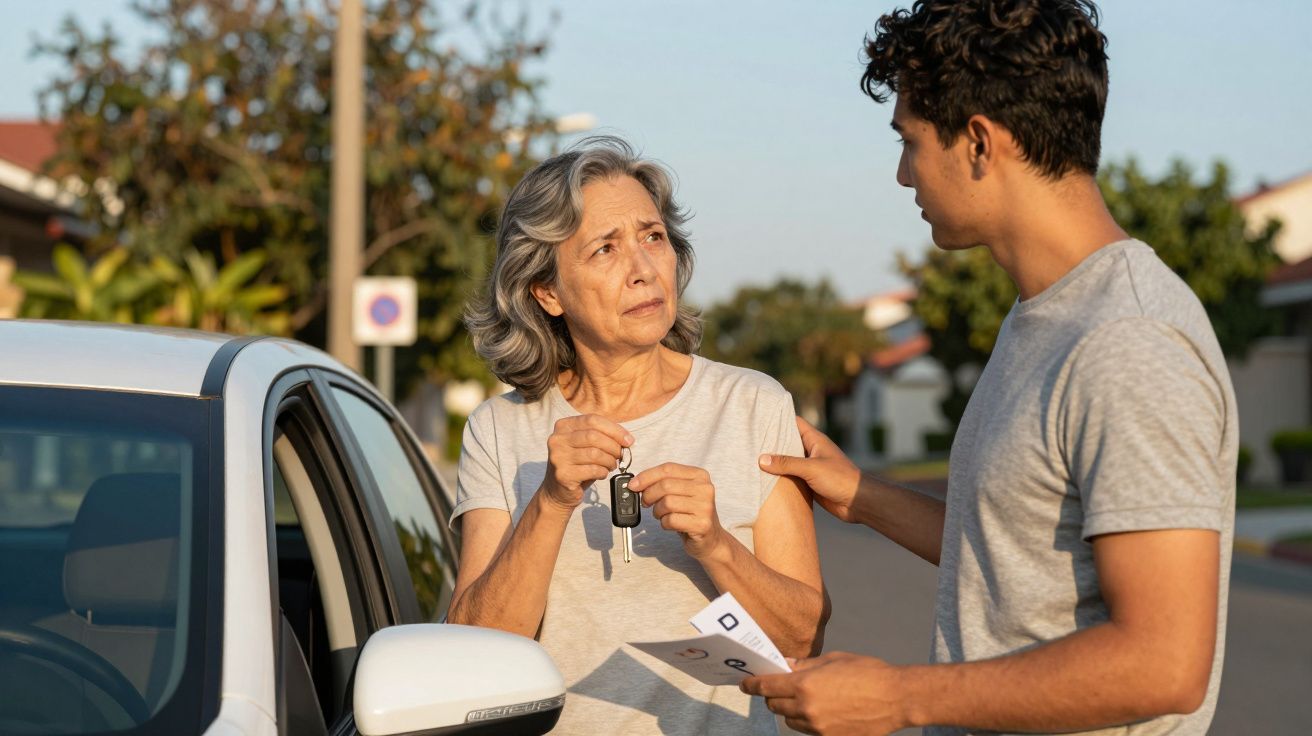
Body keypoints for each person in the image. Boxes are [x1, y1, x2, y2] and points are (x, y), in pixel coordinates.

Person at [741, 2, 1236, 735]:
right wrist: (863, 497)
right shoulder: (1041, 316)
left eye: (910, 142)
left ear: (978, 143)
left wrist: (899, 697)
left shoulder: (1128, 341)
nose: (903, 174)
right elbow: (1020, 553)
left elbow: (1165, 662)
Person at [446, 136, 828, 734]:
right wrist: (550, 503)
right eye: (605, 249)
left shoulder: (752, 403)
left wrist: (715, 543)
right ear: (547, 292)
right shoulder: (499, 429)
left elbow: (803, 635)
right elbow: (474, 652)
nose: (645, 269)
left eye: (654, 237)